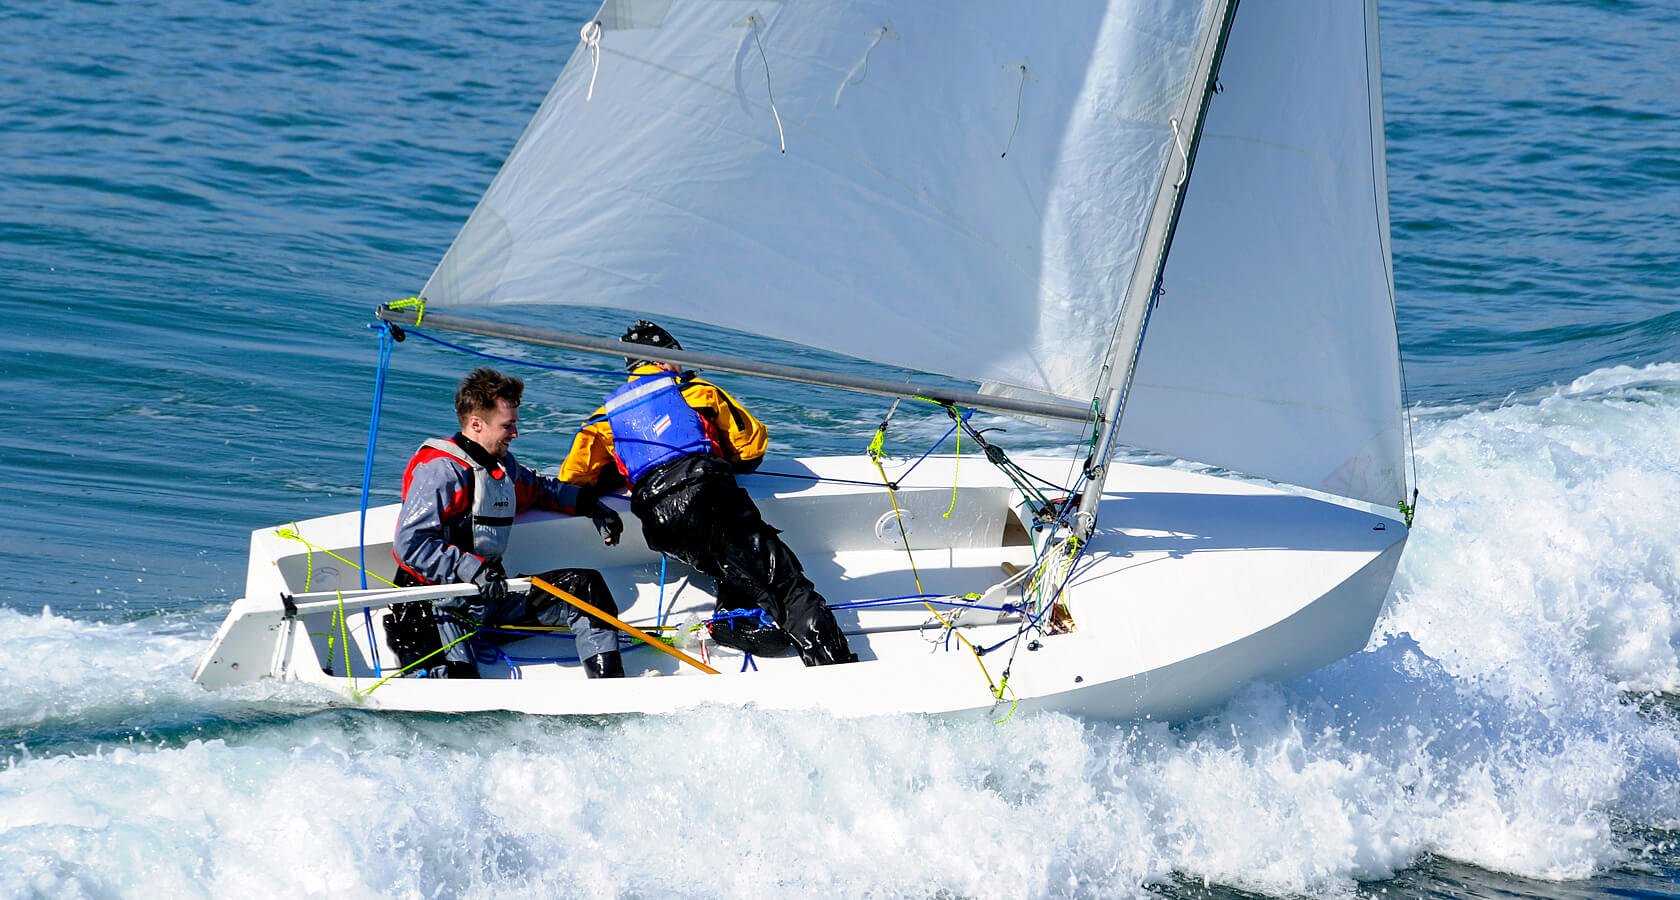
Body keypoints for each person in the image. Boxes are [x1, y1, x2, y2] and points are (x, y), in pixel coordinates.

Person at [559, 320, 857, 666]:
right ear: (665, 361)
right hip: (708, 498)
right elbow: (750, 449)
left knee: (730, 561)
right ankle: (835, 665)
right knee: (787, 587)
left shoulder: (602, 418)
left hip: (659, 524)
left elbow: (572, 481)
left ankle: (730, 621)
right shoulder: (698, 392)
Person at [388, 367, 628, 679]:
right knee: (459, 695)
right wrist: (471, 569)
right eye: (508, 425)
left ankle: (610, 691)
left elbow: (542, 489)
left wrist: (590, 505)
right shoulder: (441, 472)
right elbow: (412, 544)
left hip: (488, 599)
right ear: (476, 424)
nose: (515, 433)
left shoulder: (502, 466)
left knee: (585, 587)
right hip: (433, 606)